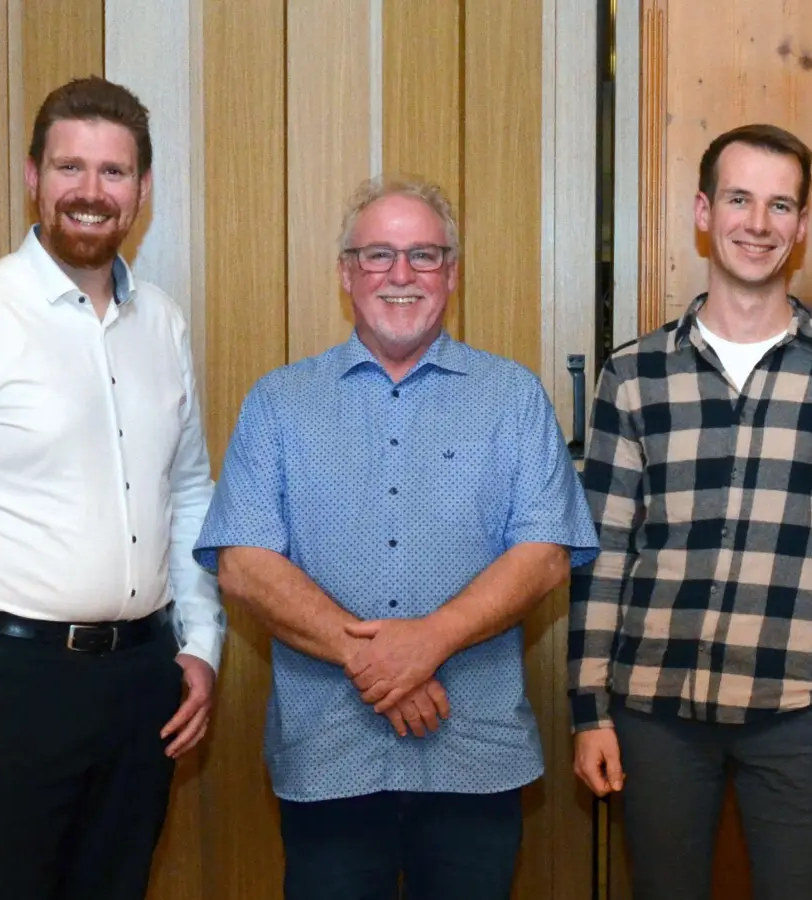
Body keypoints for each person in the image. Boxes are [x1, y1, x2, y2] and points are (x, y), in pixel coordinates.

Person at [0, 76, 224, 900]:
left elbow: (191, 493)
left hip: (142, 688)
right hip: (4, 690)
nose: (91, 193)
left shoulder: (162, 323)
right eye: (70, 168)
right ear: (33, 177)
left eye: (114, 172)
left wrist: (199, 645)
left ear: (142, 189)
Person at [193, 176, 599, 900]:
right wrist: (377, 659)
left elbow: (543, 556)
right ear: (346, 273)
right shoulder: (278, 402)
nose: (402, 275)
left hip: (476, 755)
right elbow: (245, 565)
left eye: (424, 255)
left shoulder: (513, 398)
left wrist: (431, 639)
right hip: (328, 758)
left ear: (453, 272)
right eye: (378, 255)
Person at [568, 122, 812, 900]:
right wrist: (589, 709)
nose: (758, 224)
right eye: (739, 199)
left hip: (800, 715)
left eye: (780, 205)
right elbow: (603, 555)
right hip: (655, 713)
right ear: (702, 210)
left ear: (802, 227)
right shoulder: (633, 375)